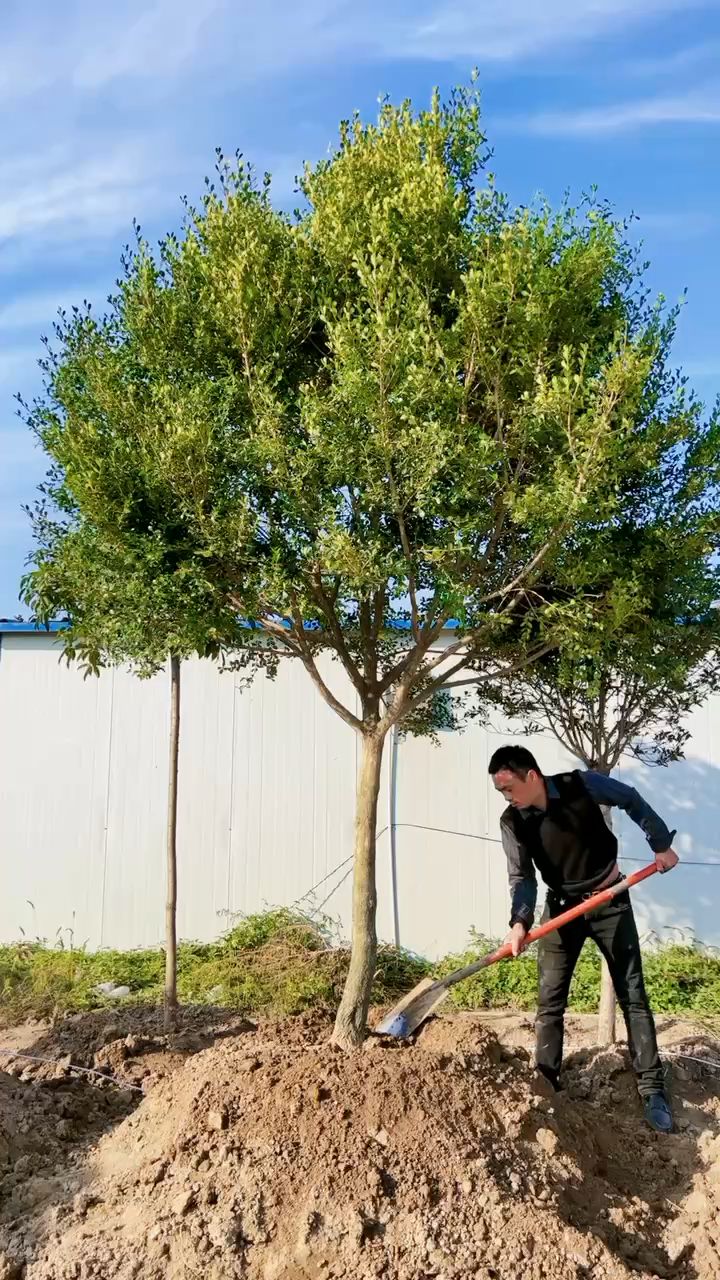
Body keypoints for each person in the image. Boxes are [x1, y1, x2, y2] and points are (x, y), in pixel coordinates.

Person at [488, 744, 679, 1133]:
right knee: (550, 1003)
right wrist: (520, 922)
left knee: (633, 996)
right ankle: (546, 1088)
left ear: (532, 776)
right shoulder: (513, 821)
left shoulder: (581, 785)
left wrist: (660, 844)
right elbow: (522, 877)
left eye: (508, 788)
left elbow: (629, 798)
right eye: (500, 791)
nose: (506, 797)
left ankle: (652, 1089)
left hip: (611, 900)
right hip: (560, 911)